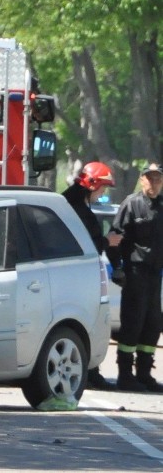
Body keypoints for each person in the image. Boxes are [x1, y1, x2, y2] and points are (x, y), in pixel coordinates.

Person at [62, 161, 121, 390]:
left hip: (73, 276)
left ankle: (88, 370)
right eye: (103, 188)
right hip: (76, 278)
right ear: (92, 185)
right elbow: (89, 244)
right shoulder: (77, 209)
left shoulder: (68, 203)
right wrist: (109, 241)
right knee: (88, 322)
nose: (103, 193)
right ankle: (90, 371)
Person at [109, 162, 163, 392]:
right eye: (149, 178)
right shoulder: (131, 204)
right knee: (132, 324)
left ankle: (144, 374)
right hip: (135, 273)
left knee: (152, 325)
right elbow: (114, 238)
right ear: (142, 180)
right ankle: (124, 375)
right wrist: (117, 267)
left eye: (157, 179)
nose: (153, 183)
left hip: (155, 276)